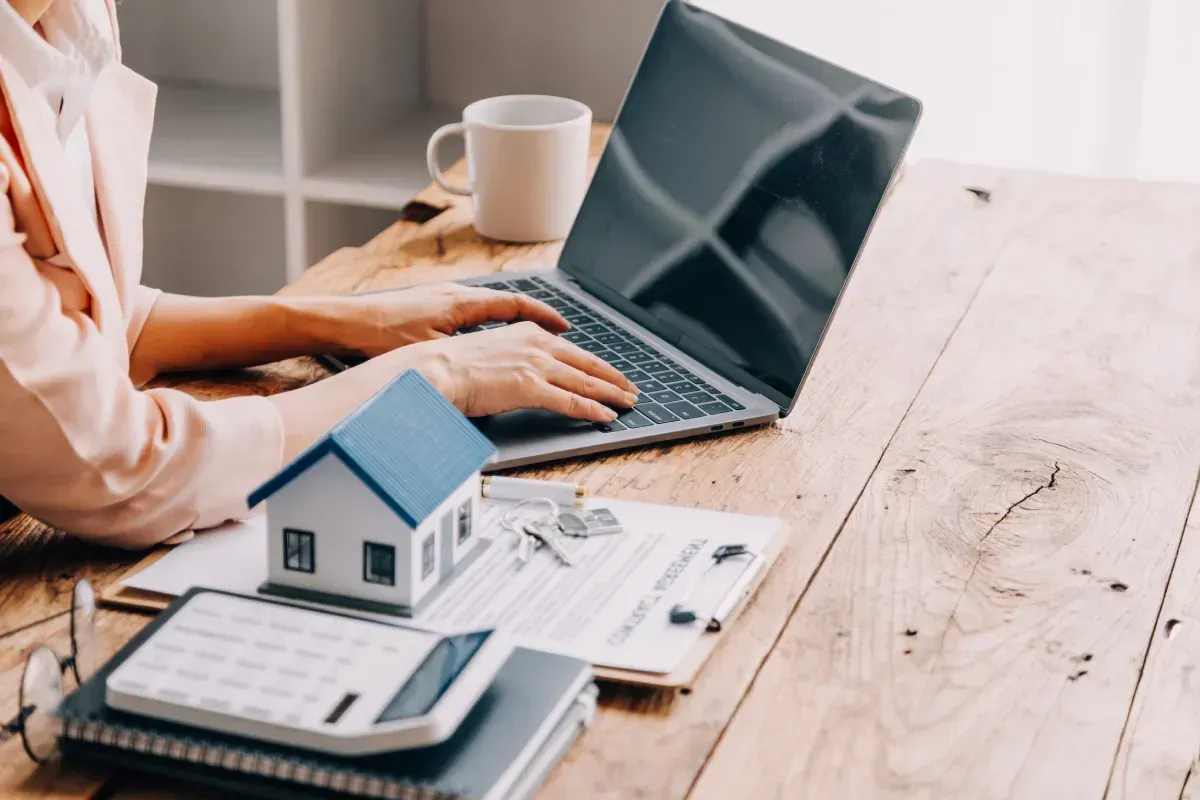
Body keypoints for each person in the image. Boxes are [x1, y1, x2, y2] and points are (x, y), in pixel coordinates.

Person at [0, 0, 637, 549]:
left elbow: (89, 329)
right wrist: (438, 376)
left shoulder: (61, 26)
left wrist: (346, 319)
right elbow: (134, 471)